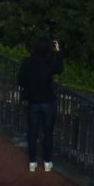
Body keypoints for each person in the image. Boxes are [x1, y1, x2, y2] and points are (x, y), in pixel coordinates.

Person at [17, 35, 63, 173]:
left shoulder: (28, 62)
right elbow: (59, 68)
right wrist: (58, 51)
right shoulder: (49, 61)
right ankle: (47, 162)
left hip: (33, 101)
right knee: (48, 133)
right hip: (48, 101)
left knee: (32, 132)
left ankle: (32, 162)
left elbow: (20, 80)